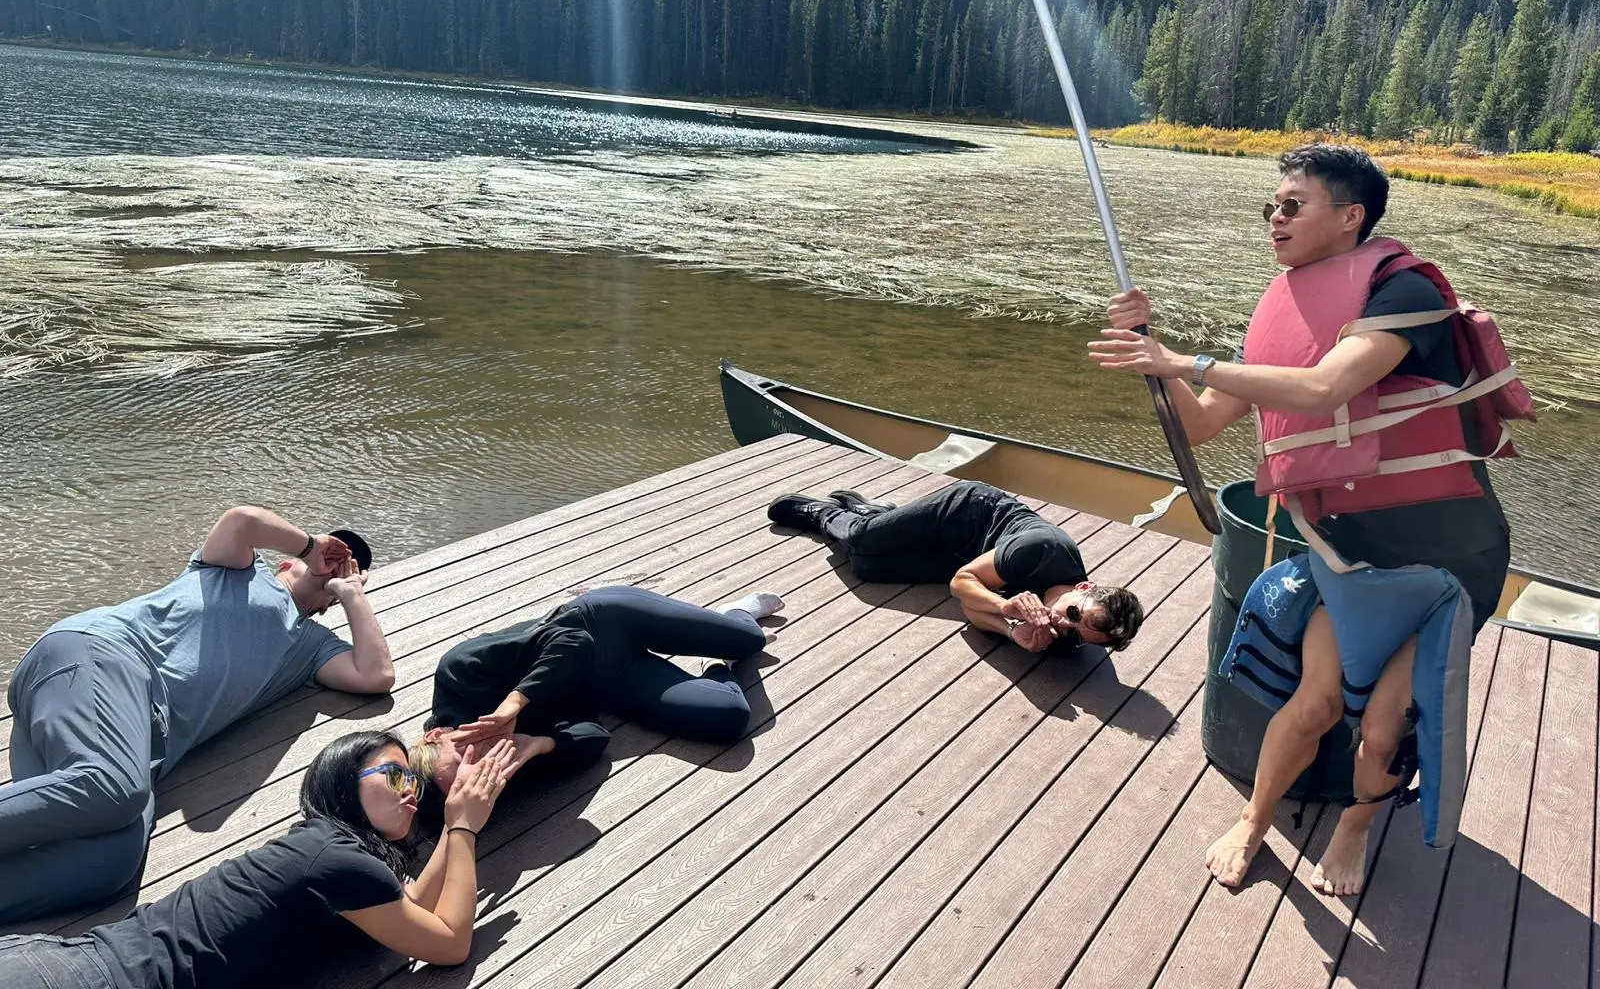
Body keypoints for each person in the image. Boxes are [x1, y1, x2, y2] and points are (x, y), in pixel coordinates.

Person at [1089, 143, 1522, 896]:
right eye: (1272, 206)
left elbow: (1328, 388)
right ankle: (1256, 819)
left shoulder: (1403, 290)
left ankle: (1356, 824)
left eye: (1294, 204)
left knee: (1384, 727)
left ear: (1351, 215)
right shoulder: (1281, 317)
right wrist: (1143, 350)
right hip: (1347, 551)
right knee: (1317, 702)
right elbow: (1196, 426)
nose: (1275, 219)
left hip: (1445, 565)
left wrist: (1182, 361)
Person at [0, 507, 396, 924]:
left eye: (339, 576)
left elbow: (376, 674)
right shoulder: (239, 571)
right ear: (286, 561)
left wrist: (350, 592)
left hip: (129, 741)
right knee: (113, 788)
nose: (331, 572)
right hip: (102, 659)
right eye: (330, 563)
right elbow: (241, 520)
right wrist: (312, 546)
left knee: (112, 861)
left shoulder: (311, 647)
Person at [0, 730, 519, 987]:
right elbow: (449, 944)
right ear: (343, 784)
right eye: (396, 775)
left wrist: (457, 826)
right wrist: (462, 827)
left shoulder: (325, 853)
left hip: (70, 961)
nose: (411, 791)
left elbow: (405, 907)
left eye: (414, 780)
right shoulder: (335, 861)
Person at [408, 585, 786, 797]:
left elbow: (573, 639)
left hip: (605, 622)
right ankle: (716, 662)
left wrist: (514, 703)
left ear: (437, 735)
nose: (481, 760)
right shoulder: (504, 768)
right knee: (728, 717)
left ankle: (735, 613)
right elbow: (594, 735)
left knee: (749, 639)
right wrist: (538, 744)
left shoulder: (460, 672)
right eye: (474, 775)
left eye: (464, 753)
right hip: (611, 678)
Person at [766, 482, 1144, 654]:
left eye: (1078, 635)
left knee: (866, 567)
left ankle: (873, 513)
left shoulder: (1069, 635)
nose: (1065, 626)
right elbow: (962, 583)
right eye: (1074, 615)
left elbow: (969, 607)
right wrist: (1007, 607)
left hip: (971, 556)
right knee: (863, 540)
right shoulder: (1040, 550)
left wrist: (1013, 633)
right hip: (966, 513)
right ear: (1083, 588)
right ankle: (824, 513)